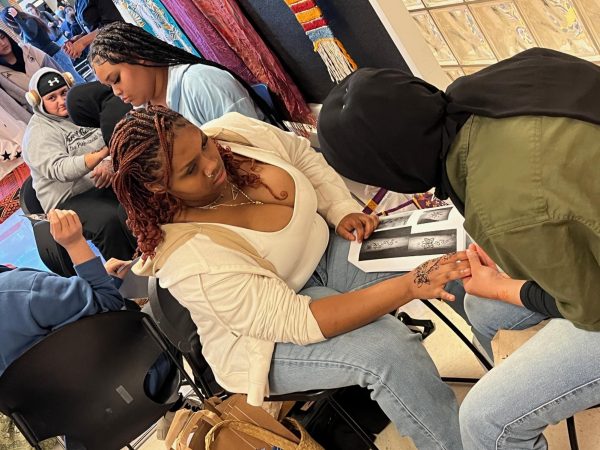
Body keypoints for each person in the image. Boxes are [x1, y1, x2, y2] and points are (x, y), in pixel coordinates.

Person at [109, 105, 471, 449]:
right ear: (158, 187)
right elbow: (297, 320)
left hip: (324, 253)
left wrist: (340, 208)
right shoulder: (189, 256)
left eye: (203, 143)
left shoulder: (236, 133)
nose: (211, 163)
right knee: (389, 350)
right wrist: (409, 285)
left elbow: (301, 156)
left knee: (445, 251)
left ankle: (509, 369)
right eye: (190, 170)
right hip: (261, 341)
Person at [316, 48, 600, 449]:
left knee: (484, 421)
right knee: (481, 310)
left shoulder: (504, 211)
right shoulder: (504, 77)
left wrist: (504, 287)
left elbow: (592, 309)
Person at [21, 67, 136, 260]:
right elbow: (61, 169)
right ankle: (128, 277)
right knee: (110, 221)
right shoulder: (37, 134)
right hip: (68, 200)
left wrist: (109, 161)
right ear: (38, 102)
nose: (61, 101)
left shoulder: (82, 106)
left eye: (64, 93)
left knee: (141, 193)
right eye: (52, 98)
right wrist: (104, 154)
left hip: (105, 182)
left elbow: (112, 130)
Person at [90, 22, 280, 128]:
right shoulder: (144, 111)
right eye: (110, 87)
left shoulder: (201, 83)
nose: (115, 92)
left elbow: (257, 151)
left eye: (116, 79)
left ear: (140, 57)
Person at [1, 7, 84, 83]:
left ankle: (94, 95)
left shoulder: (29, 20)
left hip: (55, 54)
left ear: (9, 21)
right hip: (48, 57)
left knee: (73, 80)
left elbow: (31, 35)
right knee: (68, 83)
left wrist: (17, 17)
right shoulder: (24, 27)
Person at [0, 28, 62, 111]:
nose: (2, 43)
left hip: (65, 100)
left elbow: (58, 72)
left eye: (2, 37)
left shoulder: (28, 50)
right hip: (43, 116)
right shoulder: (1, 75)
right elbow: (15, 105)